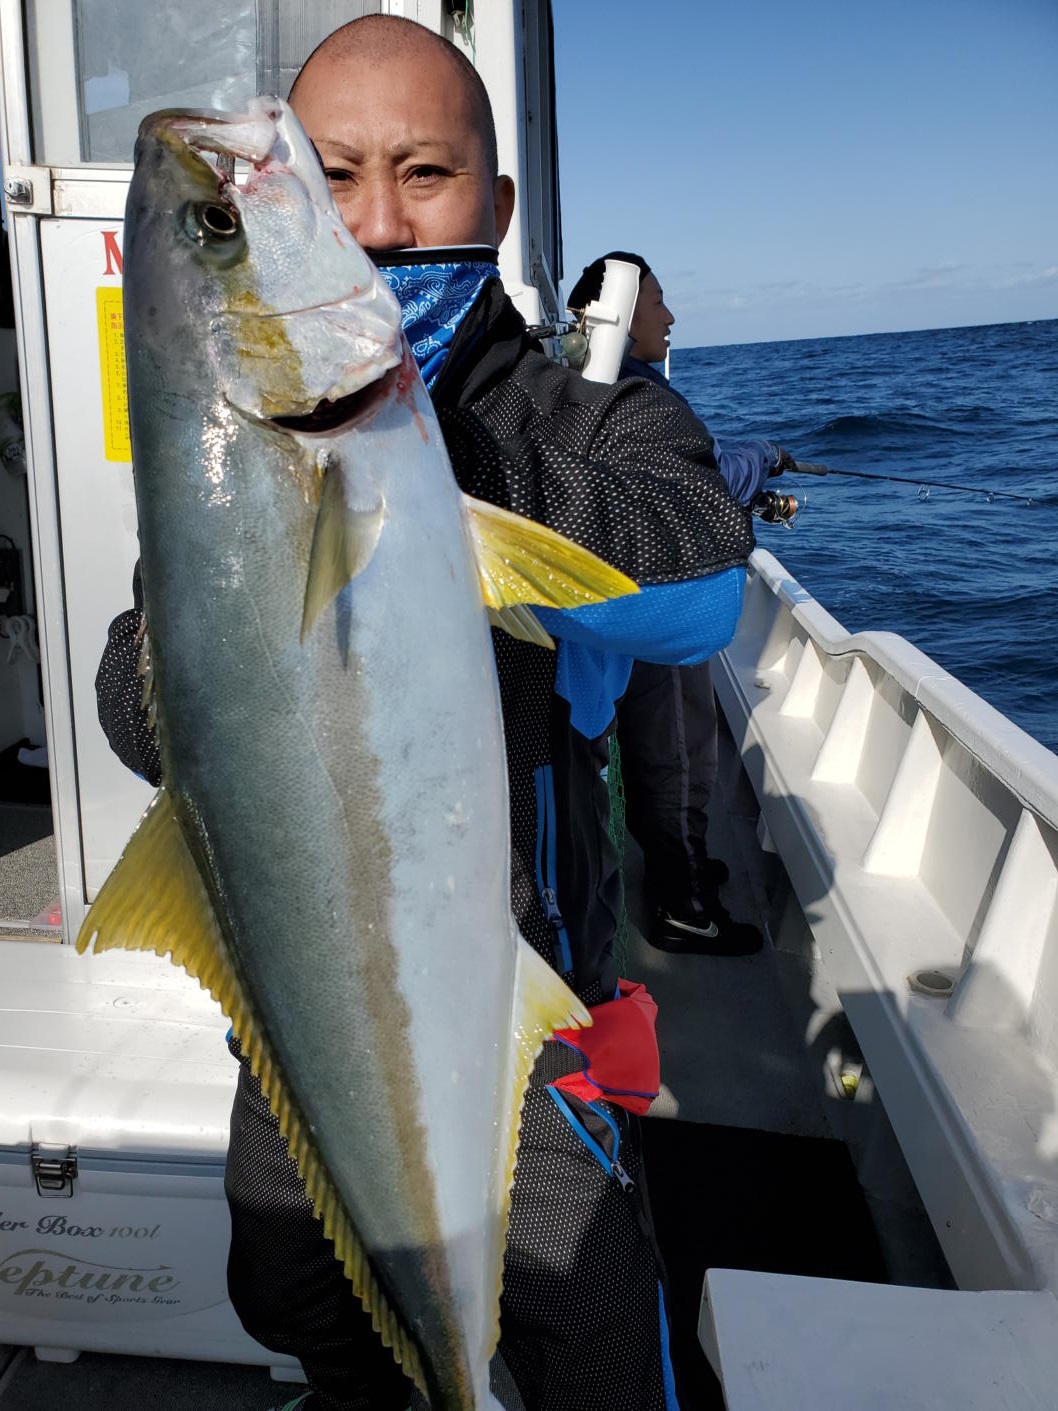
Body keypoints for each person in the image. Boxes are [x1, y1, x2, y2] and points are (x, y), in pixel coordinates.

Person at [96, 19, 754, 1411]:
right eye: (329, 177)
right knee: (309, 1301)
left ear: (498, 206)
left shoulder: (582, 415)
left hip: (523, 1000)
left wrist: (428, 467)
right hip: (300, 1006)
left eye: (426, 173)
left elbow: (697, 574)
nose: (378, 221)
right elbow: (136, 690)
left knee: (586, 1339)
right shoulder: (236, 447)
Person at [567, 254, 797, 957]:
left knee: (667, 745)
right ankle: (685, 904)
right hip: (659, 602)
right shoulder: (631, 396)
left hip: (633, 603)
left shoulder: (600, 388)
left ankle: (685, 862)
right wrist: (762, 455)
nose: (670, 317)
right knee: (674, 748)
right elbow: (705, 478)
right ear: (617, 315)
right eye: (657, 302)